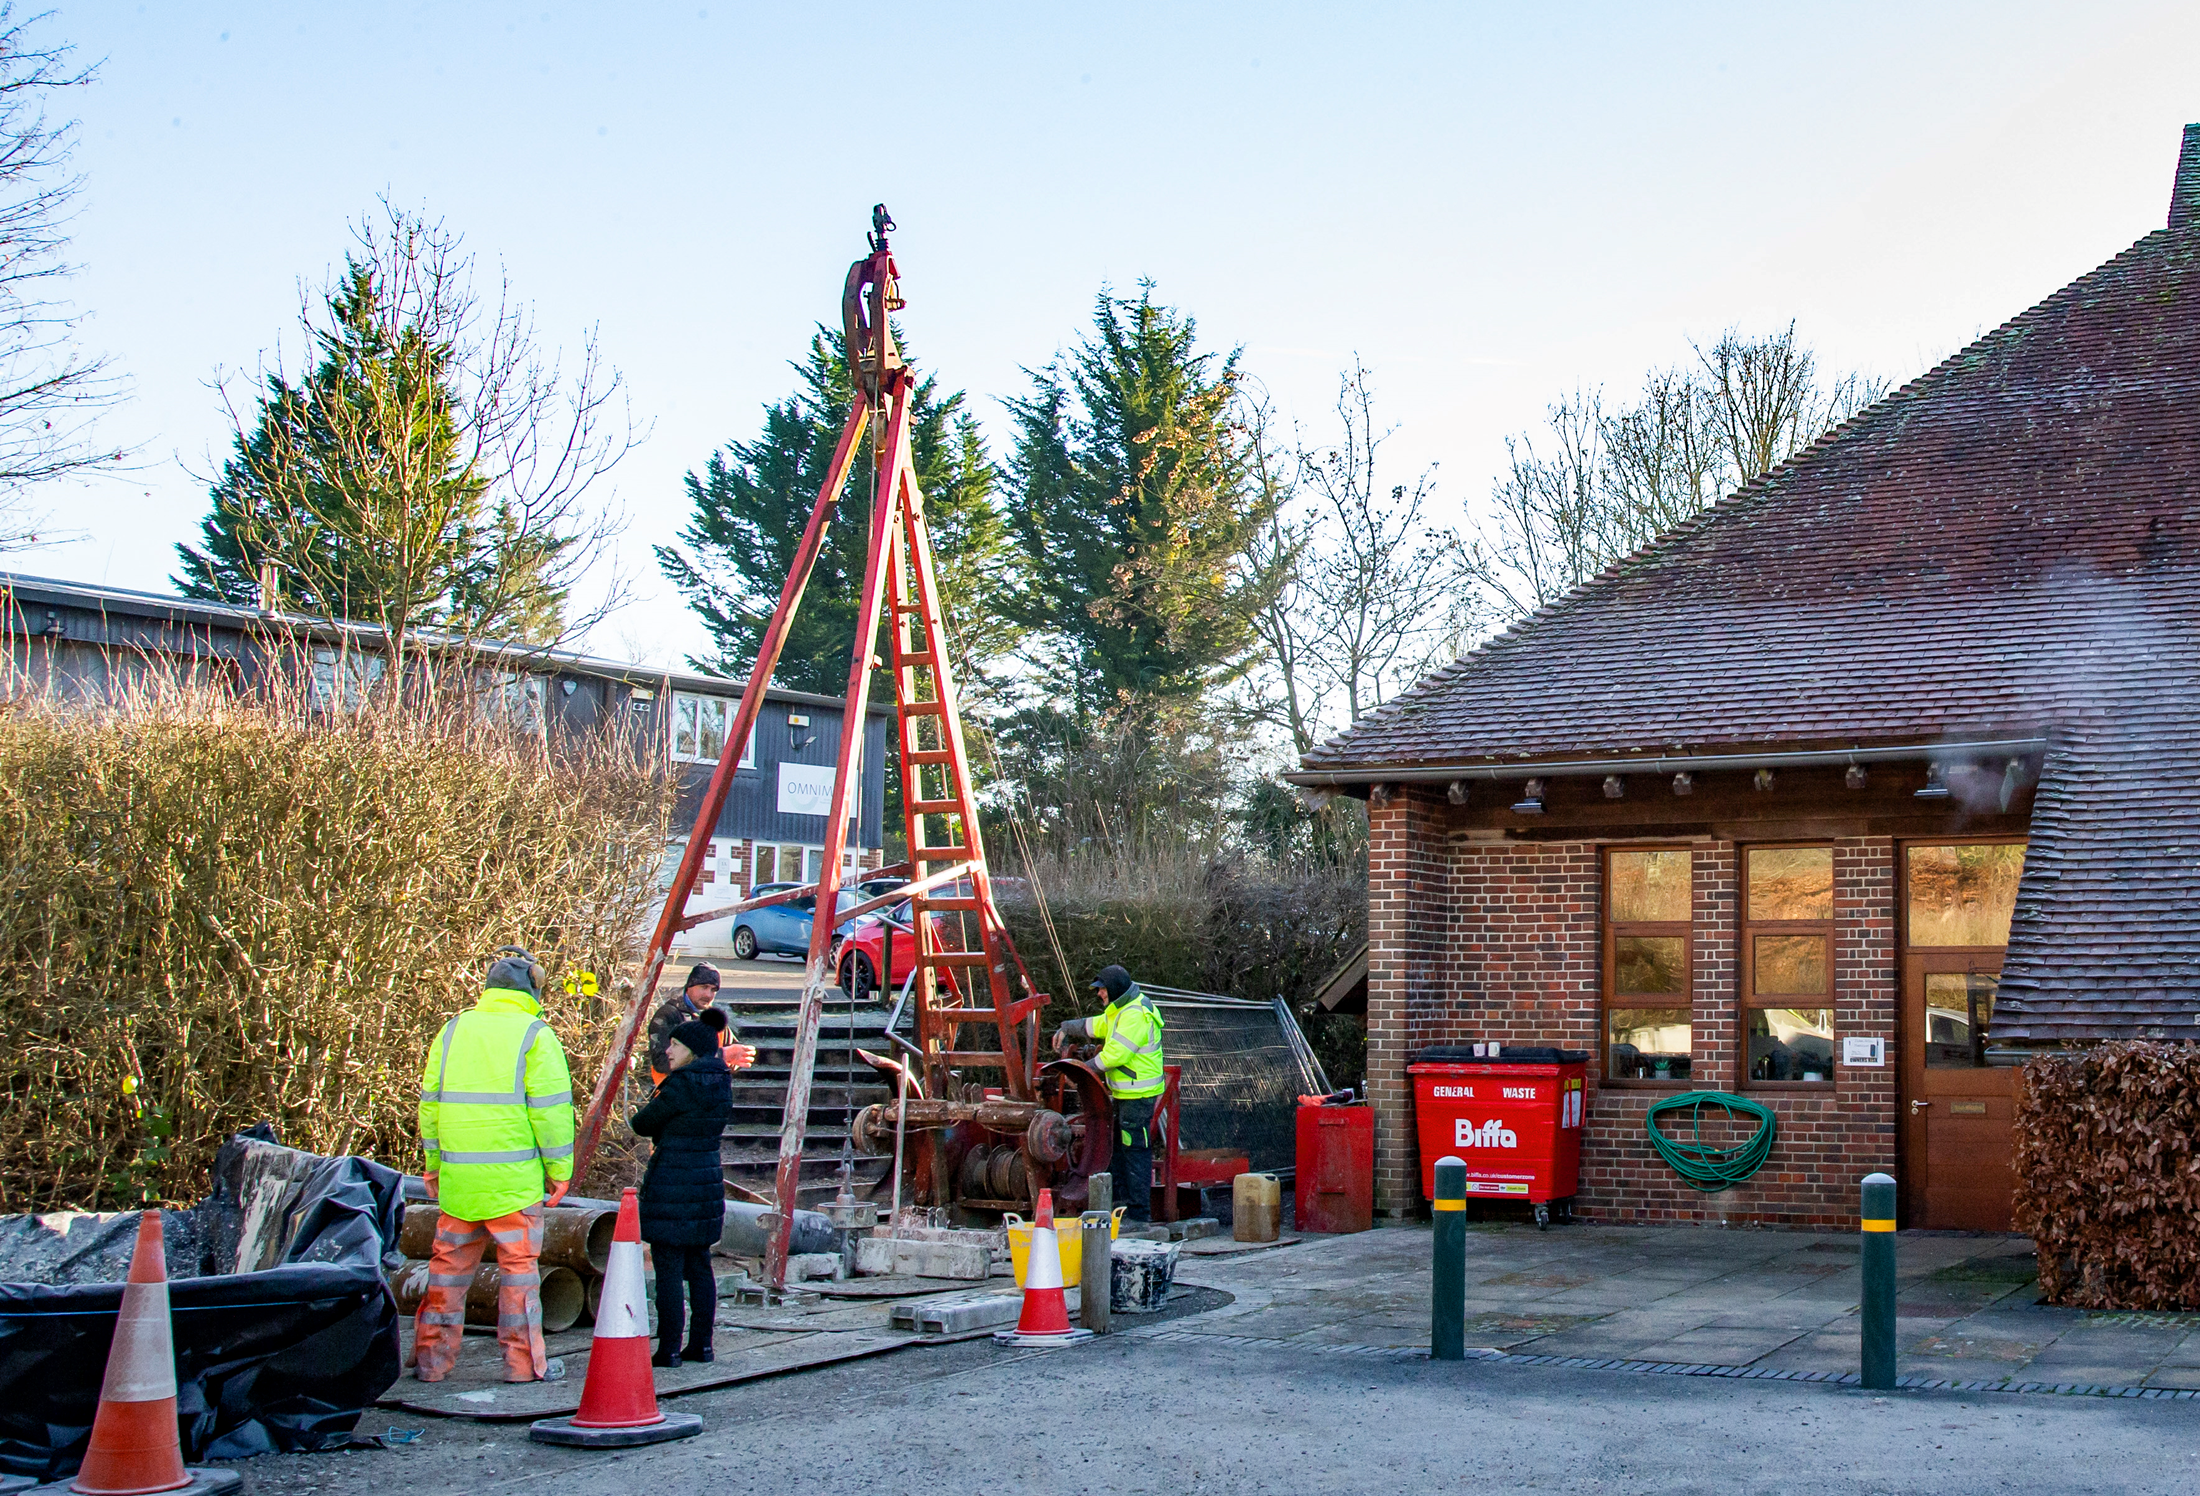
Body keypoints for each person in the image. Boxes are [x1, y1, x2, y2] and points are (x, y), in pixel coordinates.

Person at [414, 947, 574, 1383]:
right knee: (519, 1276)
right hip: (514, 1186)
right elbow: (552, 1111)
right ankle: (523, 1366)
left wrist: (433, 1164)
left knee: (446, 1274)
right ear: (533, 989)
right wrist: (559, 1170)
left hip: (460, 1182)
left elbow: (430, 1106)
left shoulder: (452, 1031)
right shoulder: (535, 1035)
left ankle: (431, 1363)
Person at [631, 1006, 735, 1367]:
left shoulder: (680, 1085)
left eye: (674, 1045)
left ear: (690, 1049)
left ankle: (669, 1348)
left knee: (669, 1271)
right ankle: (702, 1345)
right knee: (701, 1267)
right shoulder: (722, 1080)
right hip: (707, 1181)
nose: (669, 1052)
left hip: (673, 1183)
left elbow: (641, 1124)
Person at [1053, 964, 1167, 1224]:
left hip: (1139, 1095)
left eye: (1102, 990)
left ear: (1114, 989)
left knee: (1135, 1151)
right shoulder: (1121, 1010)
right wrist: (1067, 1027)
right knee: (1121, 1149)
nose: (1099, 995)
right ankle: (1122, 1209)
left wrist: (1082, 1069)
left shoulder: (1135, 1014)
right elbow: (1096, 1026)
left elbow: (1115, 1055)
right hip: (1128, 1094)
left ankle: (1138, 1216)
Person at [648, 962, 748, 1086]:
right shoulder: (668, 1015)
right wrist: (721, 1055)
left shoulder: (714, 1018)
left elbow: (732, 1053)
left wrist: (739, 1057)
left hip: (707, 1095)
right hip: (674, 1096)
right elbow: (662, 1062)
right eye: (703, 987)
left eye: (713, 990)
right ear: (689, 986)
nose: (708, 995)